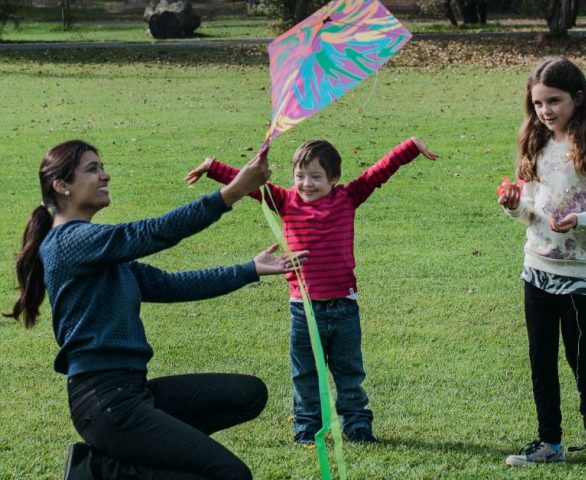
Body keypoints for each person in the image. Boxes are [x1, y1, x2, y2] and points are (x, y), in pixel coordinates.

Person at [4, 140, 308, 480]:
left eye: (101, 166)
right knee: (229, 475)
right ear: (62, 186)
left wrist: (249, 269)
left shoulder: (100, 254)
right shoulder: (68, 242)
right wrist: (232, 192)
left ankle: (118, 464)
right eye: (92, 169)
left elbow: (173, 285)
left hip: (132, 391)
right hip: (105, 403)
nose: (105, 175)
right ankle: (100, 470)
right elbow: (153, 232)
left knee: (248, 395)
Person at [185, 137, 439, 445]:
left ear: (334, 179)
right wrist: (213, 168)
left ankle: (357, 426)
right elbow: (248, 184)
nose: (307, 184)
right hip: (303, 310)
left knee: (349, 373)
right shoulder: (284, 200)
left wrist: (411, 146)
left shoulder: (347, 197)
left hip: (344, 307)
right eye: (300, 176)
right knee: (305, 374)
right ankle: (306, 429)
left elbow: (379, 172)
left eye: (317, 177)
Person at [498, 57, 586, 466]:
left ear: (577, 98)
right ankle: (549, 442)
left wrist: (580, 221)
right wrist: (514, 206)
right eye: (537, 104)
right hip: (537, 269)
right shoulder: (536, 145)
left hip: (579, 277)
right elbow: (531, 211)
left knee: (580, 357)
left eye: (553, 101)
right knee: (541, 359)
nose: (545, 111)